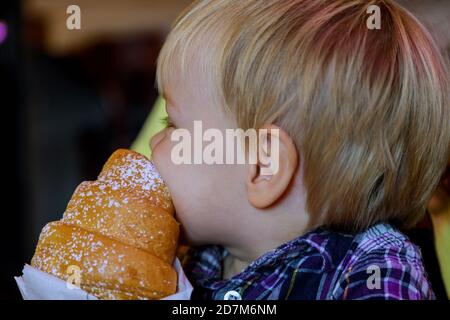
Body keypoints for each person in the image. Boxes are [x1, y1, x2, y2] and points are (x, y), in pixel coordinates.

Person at [145, 0, 450, 299]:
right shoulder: (192, 255)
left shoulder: (375, 275)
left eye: (172, 125)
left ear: (265, 165)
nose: (152, 143)